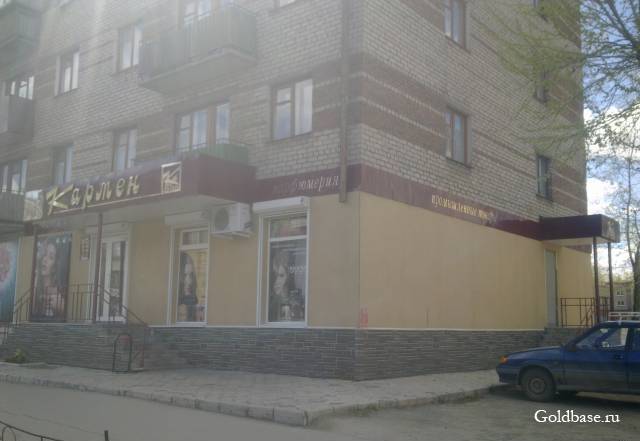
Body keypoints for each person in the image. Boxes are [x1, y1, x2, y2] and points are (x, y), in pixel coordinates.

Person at [34, 237, 66, 320]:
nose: (45, 259)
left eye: (51, 257)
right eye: (44, 254)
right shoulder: (36, 286)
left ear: (55, 267)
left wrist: (62, 308)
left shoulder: (58, 292)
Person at [178, 252, 199, 322]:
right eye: (187, 263)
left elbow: (194, 295)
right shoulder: (179, 280)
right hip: (183, 302)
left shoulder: (193, 278)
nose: (189, 266)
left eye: (190, 263)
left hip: (191, 303)